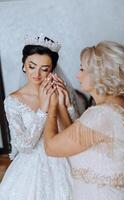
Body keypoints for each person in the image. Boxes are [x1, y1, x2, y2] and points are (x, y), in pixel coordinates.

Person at [43, 41, 124, 200]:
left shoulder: (102, 116)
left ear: (99, 74)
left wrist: (50, 108)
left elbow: (51, 147)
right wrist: (62, 107)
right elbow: (74, 144)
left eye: (82, 69)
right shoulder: (117, 104)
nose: (78, 75)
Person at [0, 34, 77, 200]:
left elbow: (73, 134)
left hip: (63, 160)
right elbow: (24, 145)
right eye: (32, 66)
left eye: (44, 69)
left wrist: (66, 106)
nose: (37, 74)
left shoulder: (62, 93)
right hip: (30, 166)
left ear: (52, 69)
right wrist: (42, 110)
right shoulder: (13, 101)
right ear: (24, 65)